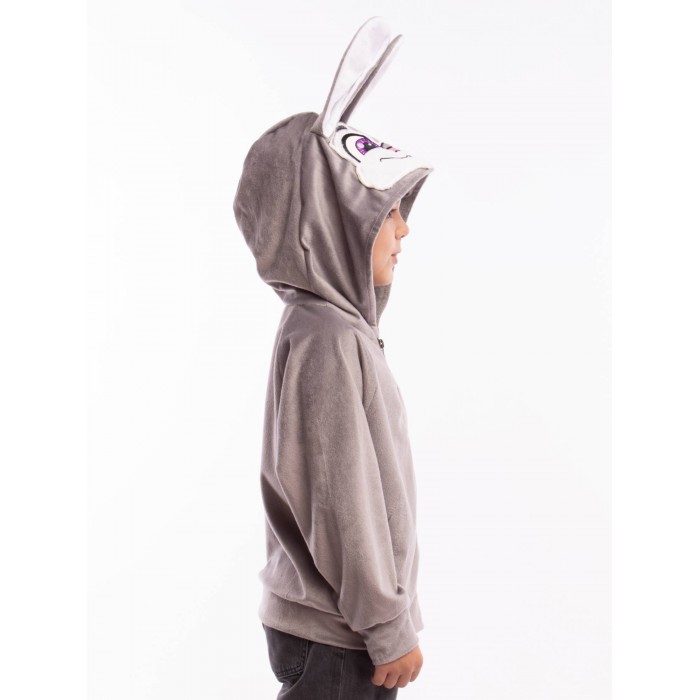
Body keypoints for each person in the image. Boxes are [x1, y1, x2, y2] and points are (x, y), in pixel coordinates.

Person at [233, 16, 434, 699]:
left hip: (338, 632)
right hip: (339, 639)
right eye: (386, 213)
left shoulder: (331, 328)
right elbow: (341, 499)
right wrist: (388, 626)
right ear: (328, 227)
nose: (403, 229)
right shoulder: (327, 338)